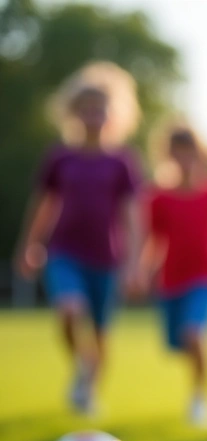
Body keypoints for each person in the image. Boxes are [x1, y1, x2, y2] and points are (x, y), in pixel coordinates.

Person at [16, 62, 142, 415]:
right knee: (70, 310)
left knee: (101, 330)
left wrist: (134, 262)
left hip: (106, 256)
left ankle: (88, 389)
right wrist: (27, 246)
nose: (92, 115)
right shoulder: (60, 157)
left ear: (113, 114)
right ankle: (82, 365)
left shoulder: (122, 162)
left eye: (99, 109)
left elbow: (132, 216)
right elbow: (43, 205)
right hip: (64, 251)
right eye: (85, 109)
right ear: (73, 113)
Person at [133, 125, 207, 427]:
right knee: (178, 345)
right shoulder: (157, 197)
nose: (184, 158)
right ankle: (197, 380)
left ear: (201, 154)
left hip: (206, 277)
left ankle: (200, 400)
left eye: (189, 151)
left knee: (196, 334)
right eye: (177, 151)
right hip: (171, 281)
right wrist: (140, 272)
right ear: (168, 156)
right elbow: (152, 241)